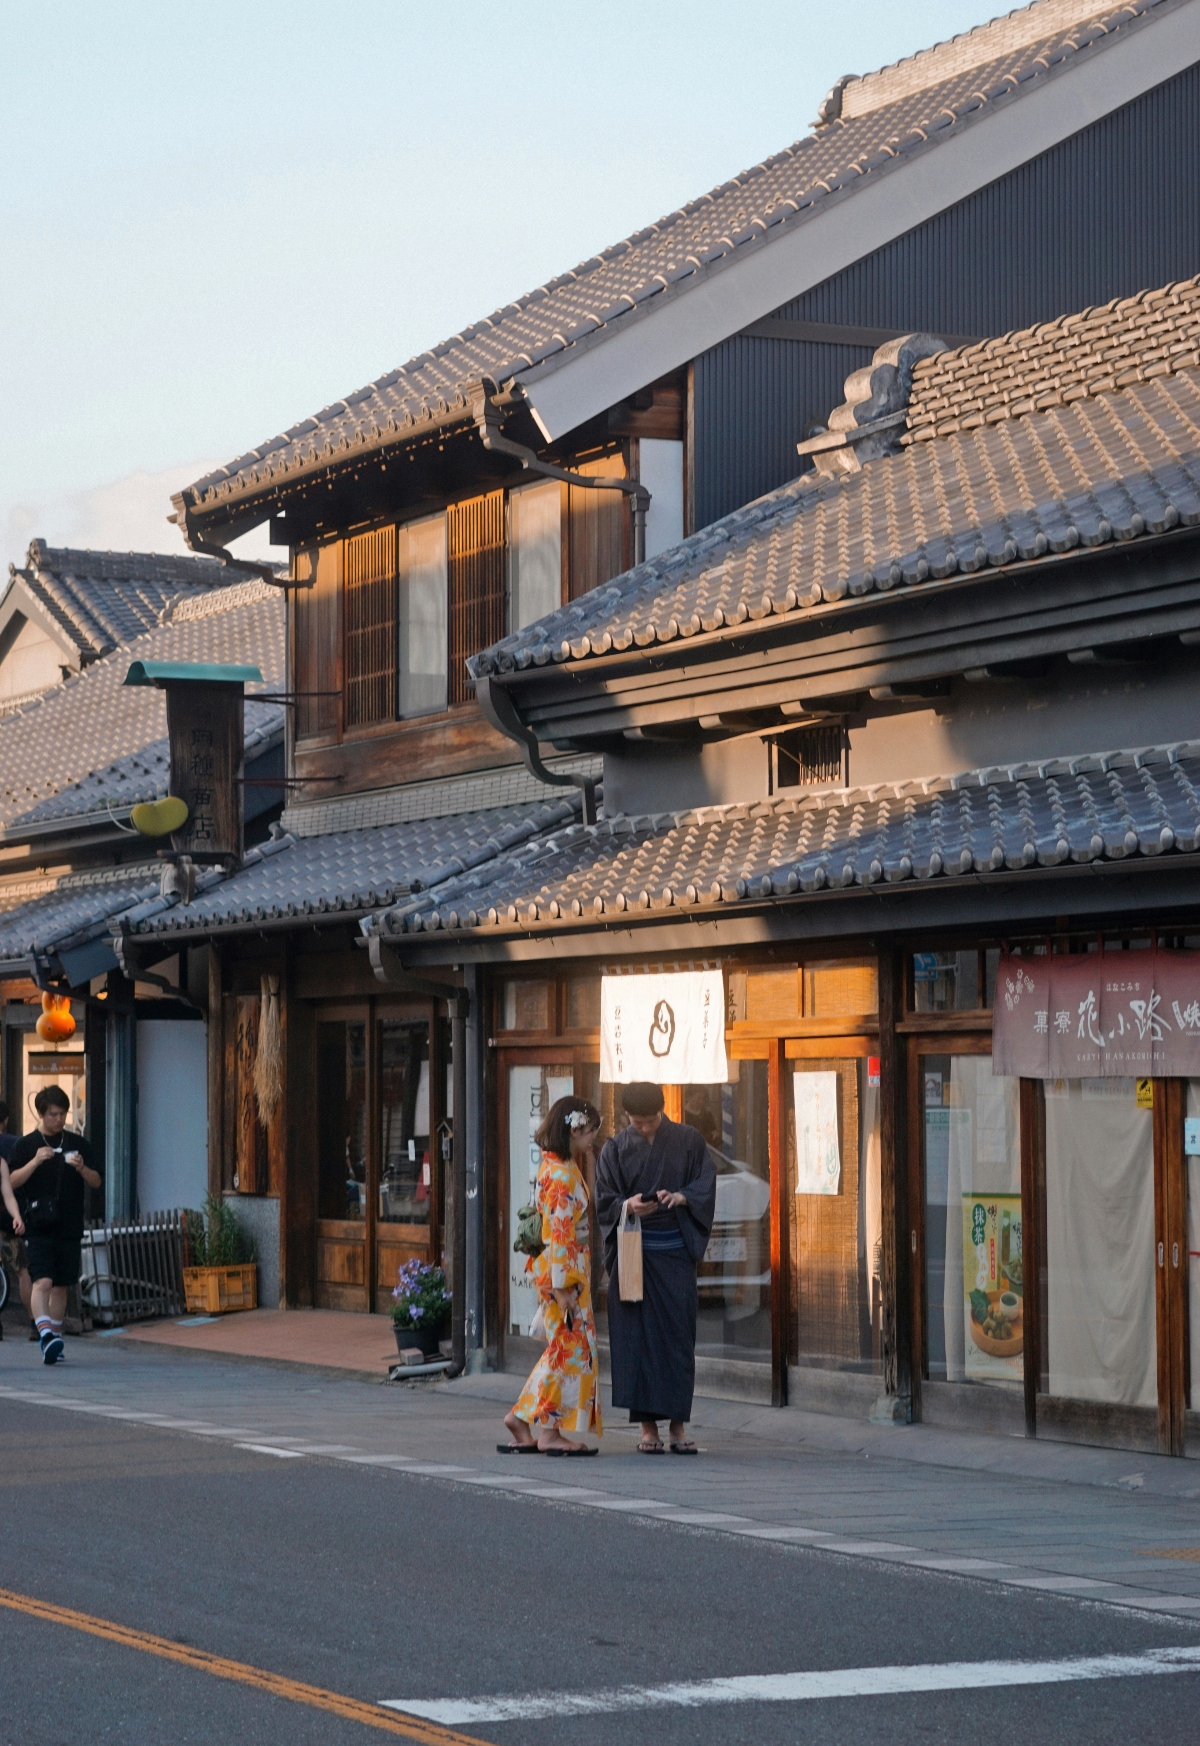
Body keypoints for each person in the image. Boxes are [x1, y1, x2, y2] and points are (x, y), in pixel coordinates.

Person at [595, 1081, 716, 1455]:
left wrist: (681, 1196)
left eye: (650, 1121)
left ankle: (678, 1426)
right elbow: (604, 1200)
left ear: (662, 1111)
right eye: (638, 1122)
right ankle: (648, 1428)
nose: (644, 1128)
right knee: (636, 1341)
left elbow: (704, 1184)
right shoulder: (614, 1149)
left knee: (678, 1339)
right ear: (627, 1117)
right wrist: (627, 1206)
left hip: (674, 1252)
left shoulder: (689, 1140)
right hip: (634, 1253)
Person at [501, 1095, 602, 1456]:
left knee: (565, 1350)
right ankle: (548, 1430)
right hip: (564, 1276)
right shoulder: (561, 1174)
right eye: (590, 1131)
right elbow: (559, 1235)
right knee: (569, 1351)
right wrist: (561, 1287)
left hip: (566, 1272)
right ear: (573, 1129)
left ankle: (525, 1417)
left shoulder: (557, 1165)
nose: (592, 1138)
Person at [7, 1085, 101, 1364]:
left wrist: (82, 1168)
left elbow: (96, 1181)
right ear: (41, 1114)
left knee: (61, 1285)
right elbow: (10, 1182)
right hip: (36, 1224)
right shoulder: (25, 1145)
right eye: (54, 1114)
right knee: (43, 1280)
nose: (59, 1119)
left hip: (69, 1223)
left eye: (63, 1114)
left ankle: (54, 1339)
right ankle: (46, 1334)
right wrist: (35, 1161)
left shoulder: (78, 1144)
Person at [0, 1104, 25, 1342]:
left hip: (4, 1220)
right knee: (20, 1268)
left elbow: (8, 1194)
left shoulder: (1, 1164)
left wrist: (16, 1215)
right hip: (5, 1223)